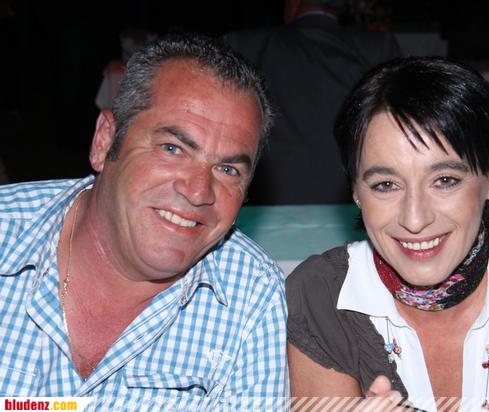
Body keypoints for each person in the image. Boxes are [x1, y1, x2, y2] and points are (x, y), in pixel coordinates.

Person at [286, 56, 489, 410]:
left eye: (444, 180)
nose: (414, 219)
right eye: (385, 185)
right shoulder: (321, 299)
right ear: (355, 189)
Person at [0, 33, 288, 410]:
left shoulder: (251, 294)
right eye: (172, 148)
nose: (198, 191)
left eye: (228, 169)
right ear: (105, 141)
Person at [224, 0, 401, 205]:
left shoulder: (244, 44)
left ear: (292, 4)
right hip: (354, 204)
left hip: (264, 208)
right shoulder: (376, 47)